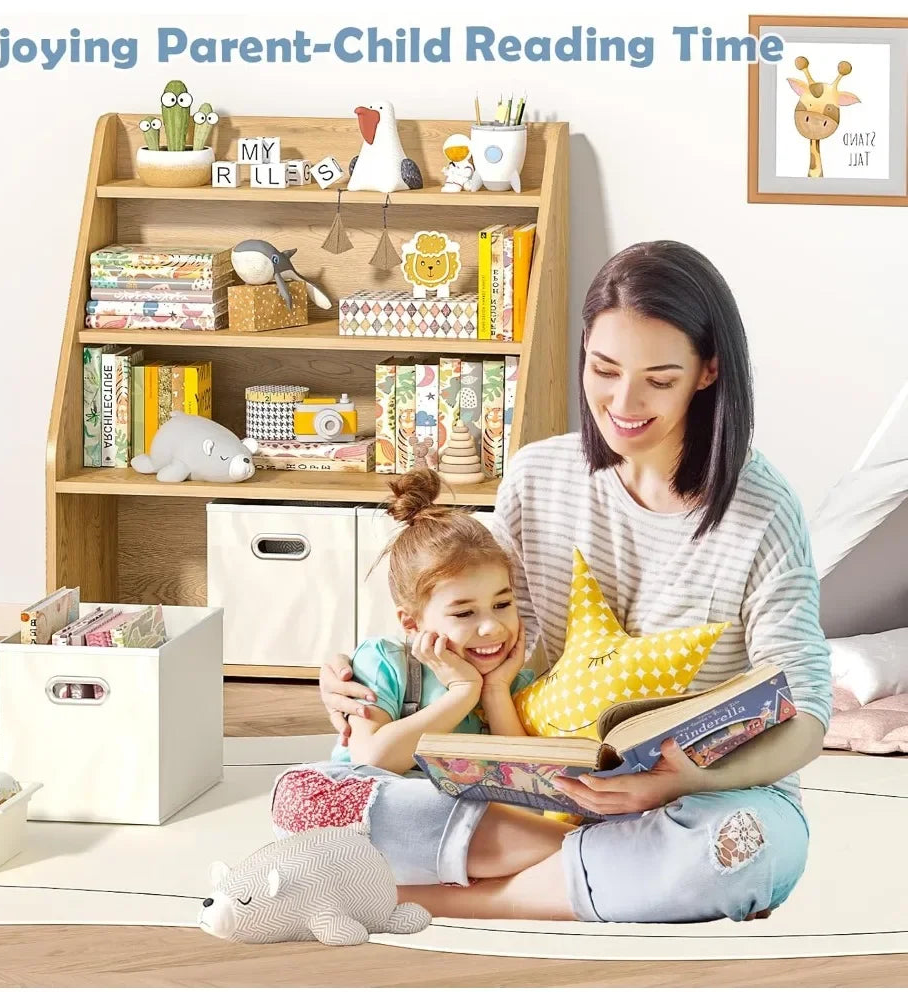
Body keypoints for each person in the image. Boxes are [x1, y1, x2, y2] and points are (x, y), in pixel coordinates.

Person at [317, 240, 832, 924]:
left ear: (708, 372)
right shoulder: (540, 475)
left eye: (659, 378)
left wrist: (687, 780)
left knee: (739, 850)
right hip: (532, 777)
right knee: (321, 796)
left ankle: (414, 897)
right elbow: (481, 633)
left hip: (699, 798)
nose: (623, 402)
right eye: (604, 368)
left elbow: (809, 718)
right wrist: (363, 683)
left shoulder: (762, 511)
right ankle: (590, 872)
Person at [270, 467, 580, 887]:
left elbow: (525, 790)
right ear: (412, 623)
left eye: (503, 604)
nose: (490, 628)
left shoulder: (513, 687)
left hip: (453, 828)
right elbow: (372, 760)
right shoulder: (386, 662)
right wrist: (462, 693)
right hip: (366, 821)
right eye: (464, 613)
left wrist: (493, 693)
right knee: (315, 793)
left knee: (537, 828)